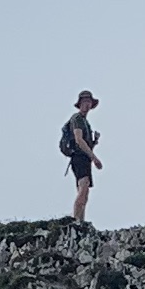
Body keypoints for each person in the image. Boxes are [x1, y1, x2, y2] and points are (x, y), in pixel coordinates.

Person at [59, 91, 100, 219]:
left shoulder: (85, 122)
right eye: (85, 102)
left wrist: (94, 142)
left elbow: (84, 142)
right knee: (83, 186)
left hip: (84, 158)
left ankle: (80, 221)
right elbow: (78, 140)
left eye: (89, 102)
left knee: (84, 190)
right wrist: (94, 157)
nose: (87, 105)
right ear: (80, 104)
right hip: (79, 157)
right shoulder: (77, 119)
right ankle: (76, 221)